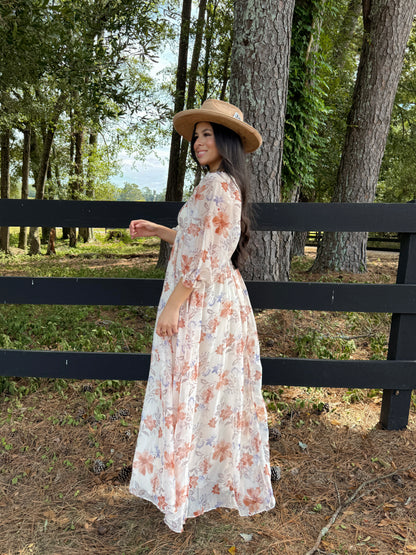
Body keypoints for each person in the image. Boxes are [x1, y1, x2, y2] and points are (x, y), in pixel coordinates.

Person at [129, 99, 275, 533]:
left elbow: (208, 255)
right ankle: (199, 484)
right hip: (217, 298)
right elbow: (198, 240)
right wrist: (161, 231)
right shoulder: (222, 185)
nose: (198, 142)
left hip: (202, 301)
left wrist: (174, 304)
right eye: (196, 136)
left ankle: (189, 486)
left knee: (191, 387)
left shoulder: (215, 186)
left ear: (226, 141)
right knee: (208, 393)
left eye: (207, 134)